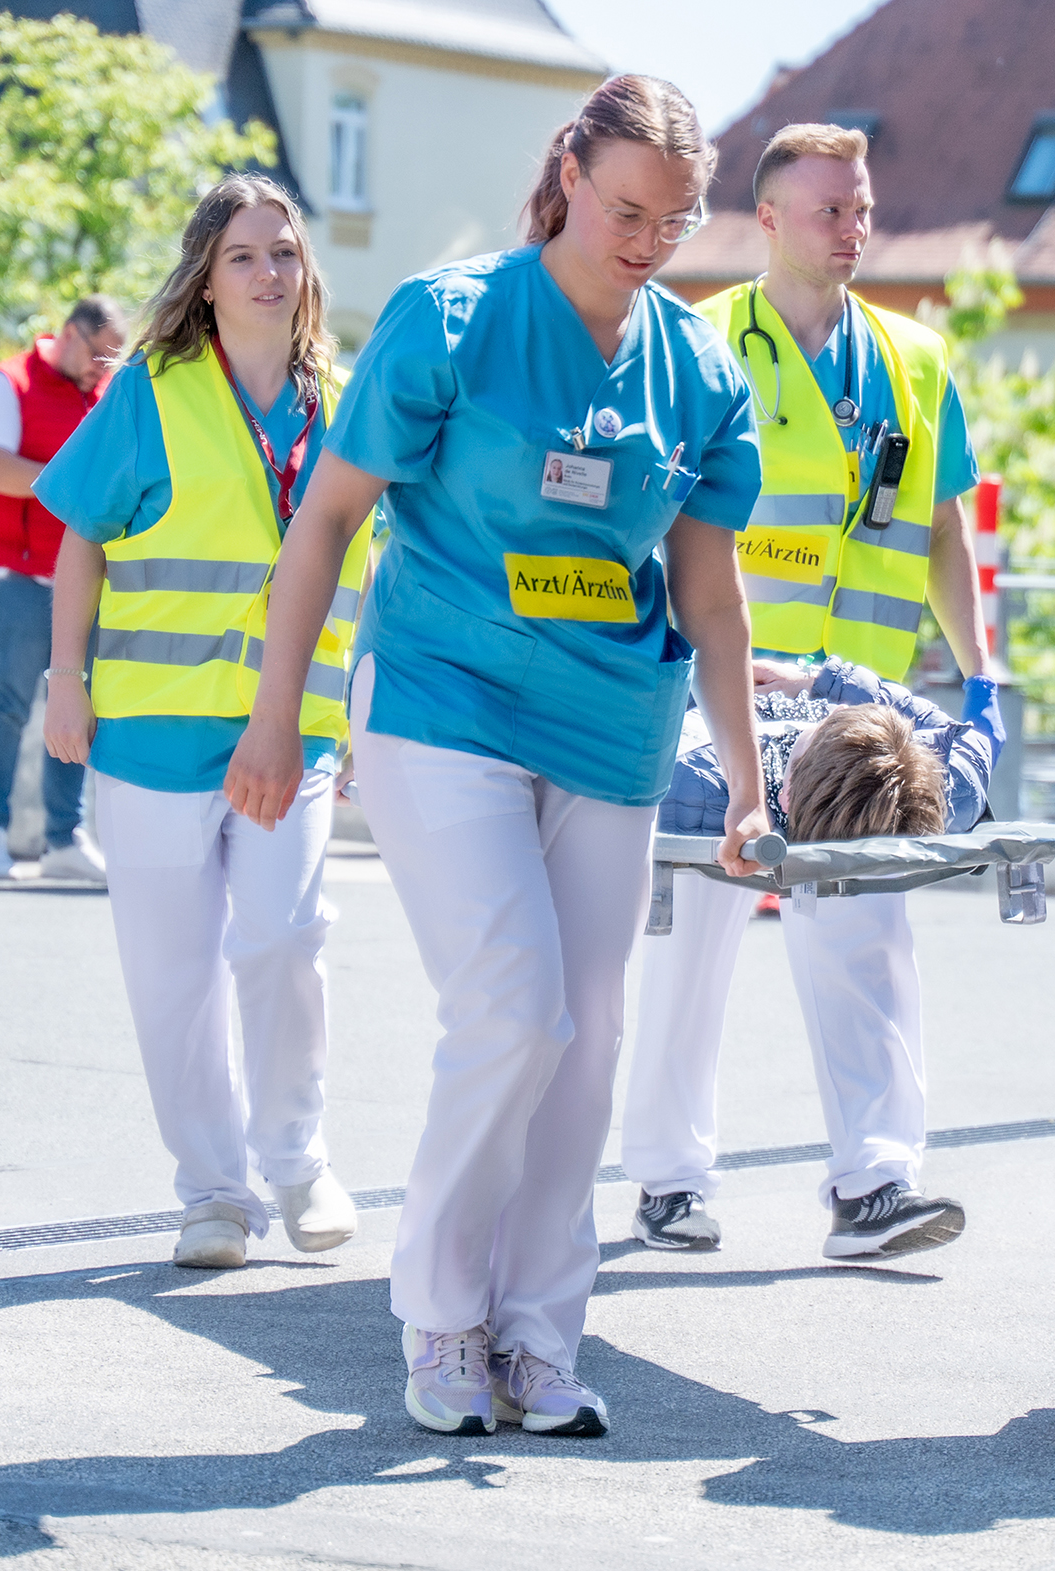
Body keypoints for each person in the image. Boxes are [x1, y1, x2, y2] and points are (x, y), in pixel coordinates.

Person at [221, 75, 764, 1442]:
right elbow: (328, 520)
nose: (646, 241)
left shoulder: (700, 370)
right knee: (516, 1005)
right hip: (438, 700)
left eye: (675, 221)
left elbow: (712, 594)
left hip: (611, 726)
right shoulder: (447, 318)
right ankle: (441, 1312)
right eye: (626, 208)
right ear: (568, 173)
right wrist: (275, 716)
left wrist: (751, 777)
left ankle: (540, 1331)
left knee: (588, 1050)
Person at [626, 122, 998, 1259]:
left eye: (863, 207)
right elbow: (654, 522)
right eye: (830, 209)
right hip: (725, 699)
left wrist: (979, 678)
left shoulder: (915, 359)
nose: (853, 228)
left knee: (867, 937)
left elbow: (938, 525)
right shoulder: (694, 346)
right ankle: (670, 1177)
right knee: (696, 937)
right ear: (770, 219)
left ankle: (874, 1184)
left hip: (862, 714)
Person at [36, 176, 369, 1274]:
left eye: (285, 251)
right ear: (205, 276)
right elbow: (81, 533)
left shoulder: (348, 400)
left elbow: (384, 568)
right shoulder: (151, 389)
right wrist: (65, 678)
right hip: (151, 732)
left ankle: (299, 1156)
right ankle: (213, 1191)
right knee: (173, 979)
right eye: (244, 255)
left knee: (284, 939)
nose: (271, 271)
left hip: (299, 730)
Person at [633, 658, 996, 1251]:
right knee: (684, 977)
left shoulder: (938, 782)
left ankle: (876, 1182)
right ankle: (668, 1180)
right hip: (708, 746)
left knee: (866, 963)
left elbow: (959, 737)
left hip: (828, 780)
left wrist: (826, 683)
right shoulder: (687, 779)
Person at [0, 295, 125, 882]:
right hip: (23, 574)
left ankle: (64, 838)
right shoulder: (10, 383)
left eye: (112, 359)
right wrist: (69, 482)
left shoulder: (105, 392)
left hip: (87, 578)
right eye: (97, 355)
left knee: (81, 707)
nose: (101, 369)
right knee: (7, 702)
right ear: (70, 333)